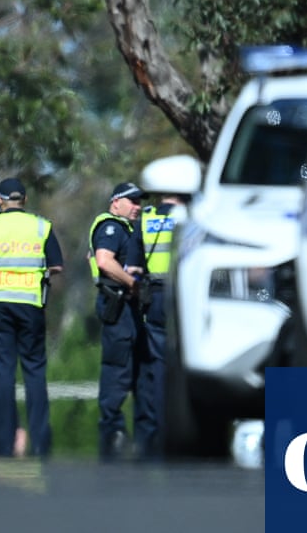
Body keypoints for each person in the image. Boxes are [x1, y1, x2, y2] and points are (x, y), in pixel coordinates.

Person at [0, 178, 63, 457]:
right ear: (25, 200)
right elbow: (56, 265)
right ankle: (41, 442)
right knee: (34, 373)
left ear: (0, 201)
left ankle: (4, 443)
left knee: (4, 374)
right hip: (31, 305)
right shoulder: (41, 226)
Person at [89, 181, 152, 461]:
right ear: (116, 202)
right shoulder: (111, 227)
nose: (137, 207)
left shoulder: (128, 228)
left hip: (131, 313)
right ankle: (112, 438)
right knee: (116, 375)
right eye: (132, 201)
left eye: (140, 202)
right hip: (119, 308)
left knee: (138, 377)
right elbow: (104, 261)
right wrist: (132, 284)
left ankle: (140, 439)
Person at [136, 190, 187, 460]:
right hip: (183, 295)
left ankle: (154, 437)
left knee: (155, 366)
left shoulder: (145, 218)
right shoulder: (192, 216)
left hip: (152, 296)